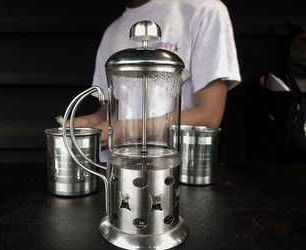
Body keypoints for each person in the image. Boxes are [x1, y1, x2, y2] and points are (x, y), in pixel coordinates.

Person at [74, 0, 241, 161]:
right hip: (120, 166)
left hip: (176, 166)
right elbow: (115, 107)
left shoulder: (206, 10)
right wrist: (89, 122)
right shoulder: (113, 30)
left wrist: (125, 131)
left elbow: (208, 116)